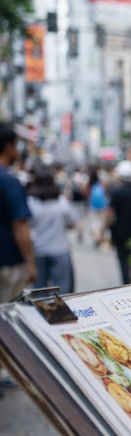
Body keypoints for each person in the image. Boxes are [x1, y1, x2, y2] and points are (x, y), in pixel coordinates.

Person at [0, 124, 36, 303]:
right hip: (8, 262)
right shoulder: (10, 182)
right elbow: (20, 225)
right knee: (7, 319)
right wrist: (30, 261)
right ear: (8, 147)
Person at [27, 170, 77, 295]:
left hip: (38, 249)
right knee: (61, 289)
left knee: (39, 289)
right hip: (59, 248)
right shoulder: (61, 201)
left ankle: (40, 313)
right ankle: (59, 313)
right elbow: (71, 223)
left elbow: (26, 225)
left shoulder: (30, 202)